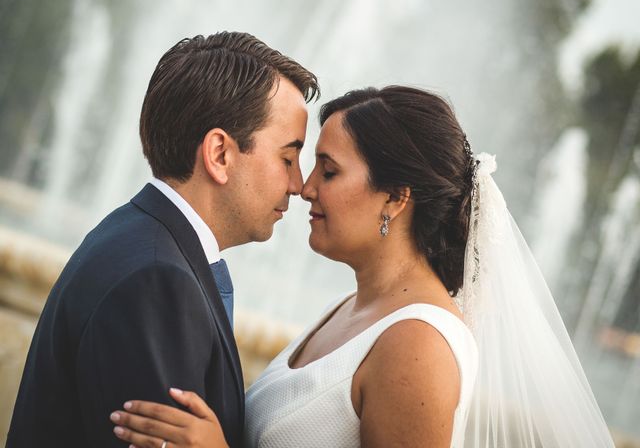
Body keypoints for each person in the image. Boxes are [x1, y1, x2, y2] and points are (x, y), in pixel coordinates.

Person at [110, 86, 615, 447]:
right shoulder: (353, 308)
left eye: (328, 171)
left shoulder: (419, 346)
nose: (305, 187)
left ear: (395, 198)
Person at [6, 32, 319, 448]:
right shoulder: (157, 281)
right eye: (287, 158)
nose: (298, 184)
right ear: (220, 155)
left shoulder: (136, 235)